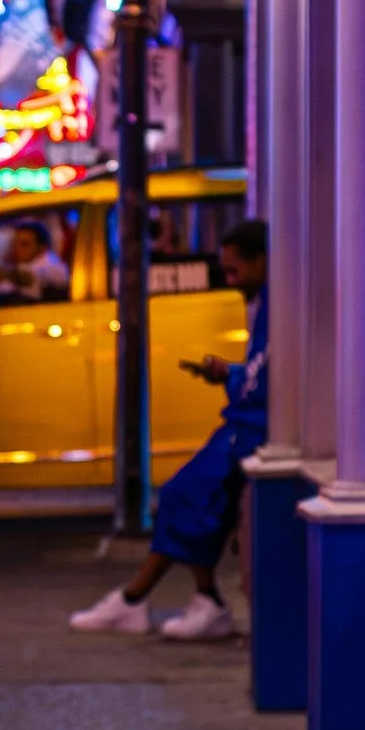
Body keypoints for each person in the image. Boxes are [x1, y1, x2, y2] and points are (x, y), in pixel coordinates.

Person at [70, 221, 268, 642]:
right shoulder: (265, 304)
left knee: (188, 496)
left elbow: (264, 378)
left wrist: (233, 379)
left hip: (253, 426)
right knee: (189, 499)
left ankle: (137, 599)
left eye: (235, 272)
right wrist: (230, 373)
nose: (231, 283)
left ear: (262, 261)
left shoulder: (275, 307)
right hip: (247, 422)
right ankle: (186, 599)